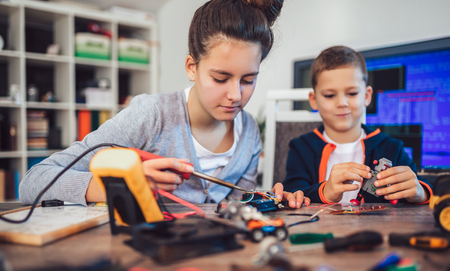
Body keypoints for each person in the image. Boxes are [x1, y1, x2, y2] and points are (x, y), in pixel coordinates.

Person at [20, 0, 308, 208]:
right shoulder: (151, 116)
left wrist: (269, 200)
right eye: (221, 78)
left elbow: (235, 206)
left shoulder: (248, 133)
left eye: (248, 80)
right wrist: (118, 188)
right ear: (191, 67)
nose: (236, 95)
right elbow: (34, 181)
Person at [283, 46, 432, 205]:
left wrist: (419, 192)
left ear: (367, 96)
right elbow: (293, 194)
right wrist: (324, 192)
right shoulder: (301, 148)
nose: (342, 103)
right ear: (313, 100)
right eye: (329, 95)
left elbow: (420, 187)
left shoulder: (391, 148)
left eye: (352, 93)